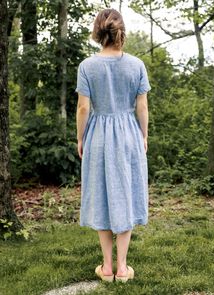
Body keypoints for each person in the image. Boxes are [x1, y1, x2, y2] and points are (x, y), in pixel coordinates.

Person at [75, 8, 151, 283]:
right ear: (121, 32)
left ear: (98, 32)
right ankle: (122, 267)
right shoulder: (136, 65)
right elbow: (141, 106)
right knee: (127, 193)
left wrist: (81, 138)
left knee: (101, 195)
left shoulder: (87, 66)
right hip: (129, 134)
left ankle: (106, 268)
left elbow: (83, 108)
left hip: (98, 135)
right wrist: (143, 136)